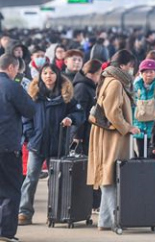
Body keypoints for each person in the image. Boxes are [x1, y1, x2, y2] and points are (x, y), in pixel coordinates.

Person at [18, 64, 84, 226]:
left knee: (56, 181)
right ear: (41, 76)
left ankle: (55, 212)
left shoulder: (66, 95)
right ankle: (24, 212)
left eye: (52, 73)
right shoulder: (34, 95)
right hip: (37, 144)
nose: (48, 76)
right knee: (31, 178)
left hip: (58, 144)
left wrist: (71, 119)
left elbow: (79, 113)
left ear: (58, 75)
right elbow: (26, 118)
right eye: (45, 73)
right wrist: (31, 135)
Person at [87, 50, 141, 231]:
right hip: (112, 136)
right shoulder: (116, 83)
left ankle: (105, 220)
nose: (132, 70)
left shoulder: (108, 79)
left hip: (108, 135)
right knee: (111, 176)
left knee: (109, 176)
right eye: (130, 66)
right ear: (123, 66)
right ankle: (115, 220)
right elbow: (112, 111)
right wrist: (128, 127)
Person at [0, 55, 36, 241]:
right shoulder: (12, 86)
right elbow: (30, 110)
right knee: (10, 190)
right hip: (6, 146)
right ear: (12, 67)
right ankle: (5, 233)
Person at [72, 59, 103, 212]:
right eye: (98, 74)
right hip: (83, 137)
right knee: (87, 168)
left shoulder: (87, 86)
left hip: (88, 134)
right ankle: (93, 202)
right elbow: (79, 113)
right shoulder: (82, 88)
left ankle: (95, 201)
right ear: (91, 74)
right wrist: (77, 136)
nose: (100, 77)